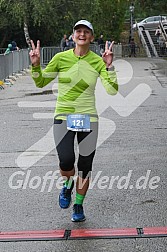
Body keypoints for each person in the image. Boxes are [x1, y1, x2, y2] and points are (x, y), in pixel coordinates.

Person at [29, 20, 118, 222]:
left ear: (92, 37)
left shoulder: (97, 61)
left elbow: (112, 90)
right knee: (66, 160)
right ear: (72, 36)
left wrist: (109, 67)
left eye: (86, 32)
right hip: (63, 116)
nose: (82, 34)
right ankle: (67, 185)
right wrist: (35, 65)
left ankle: (78, 205)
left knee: (85, 166)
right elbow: (41, 81)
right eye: (78, 31)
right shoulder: (60, 58)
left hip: (89, 118)